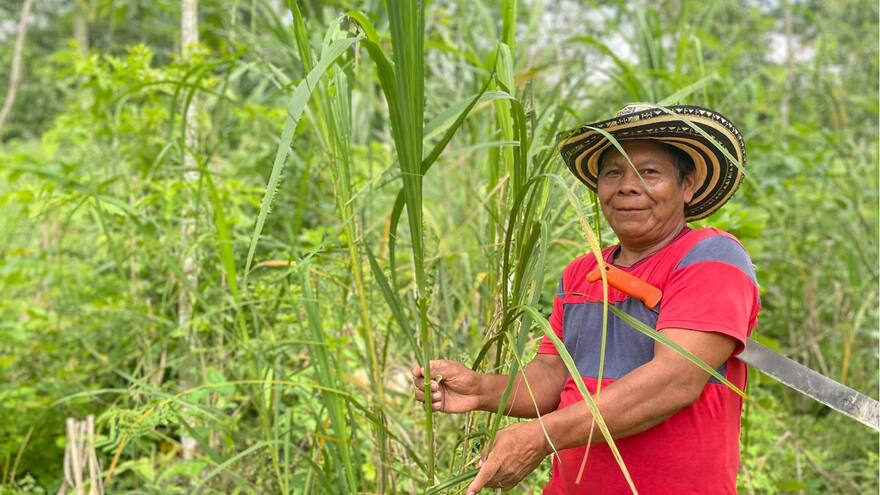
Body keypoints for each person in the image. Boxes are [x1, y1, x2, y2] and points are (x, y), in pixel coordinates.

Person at [413, 104, 761, 494]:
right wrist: (480, 389)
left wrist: (542, 436)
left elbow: (674, 381)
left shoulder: (711, 257)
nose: (627, 186)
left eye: (649, 172)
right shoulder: (581, 273)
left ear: (688, 186)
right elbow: (551, 376)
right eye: (613, 173)